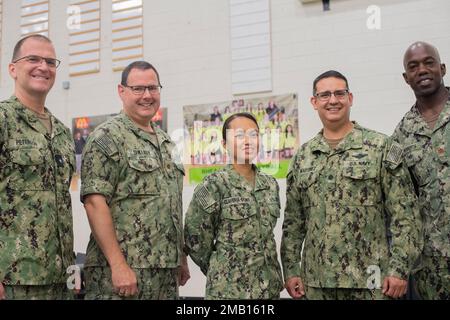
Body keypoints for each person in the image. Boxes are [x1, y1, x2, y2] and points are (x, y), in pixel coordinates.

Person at [281, 70, 422, 300]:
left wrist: (399, 269)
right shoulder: (303, 157)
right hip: (316, 281)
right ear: (314, 102)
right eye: (325, 95)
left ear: (350, 98)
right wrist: (291, 269)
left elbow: (405, 214)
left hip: (371, 280)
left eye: (340, 93)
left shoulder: (380, 147)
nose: (333, 100)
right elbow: (293, 223)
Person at [80, 61, 190, 300]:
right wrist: (118, 265)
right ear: (122, 91)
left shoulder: (167, 143)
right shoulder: (107, 137)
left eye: (153, 88)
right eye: (138, 89)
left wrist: (179, 256)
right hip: (121, 277)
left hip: (164, 276)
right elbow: (94, 203)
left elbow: (171, 204)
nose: (147, 96)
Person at [0, 35, 75, 300]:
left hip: (60, 278)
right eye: (33, 59)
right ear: (12, 69)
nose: (43, 66)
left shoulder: (63, 133)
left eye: (50, 61)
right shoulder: (4, 120)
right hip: (15, 280)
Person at [184, 113, 283, 299]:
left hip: (269, 290)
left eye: (253, 135)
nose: (248, 141)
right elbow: (195, 239)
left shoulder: (269, 184)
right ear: (224, 144)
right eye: (239, 136)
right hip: (229, 292)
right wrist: (220, 267)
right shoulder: (213, 185)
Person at [392, 42, 449, 300]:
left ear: (443, 68)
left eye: (429, 62)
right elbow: (400, 202)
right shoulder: (401, 134)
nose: (422, 70)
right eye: (413, 67)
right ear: (406, 78)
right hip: (432, 266)